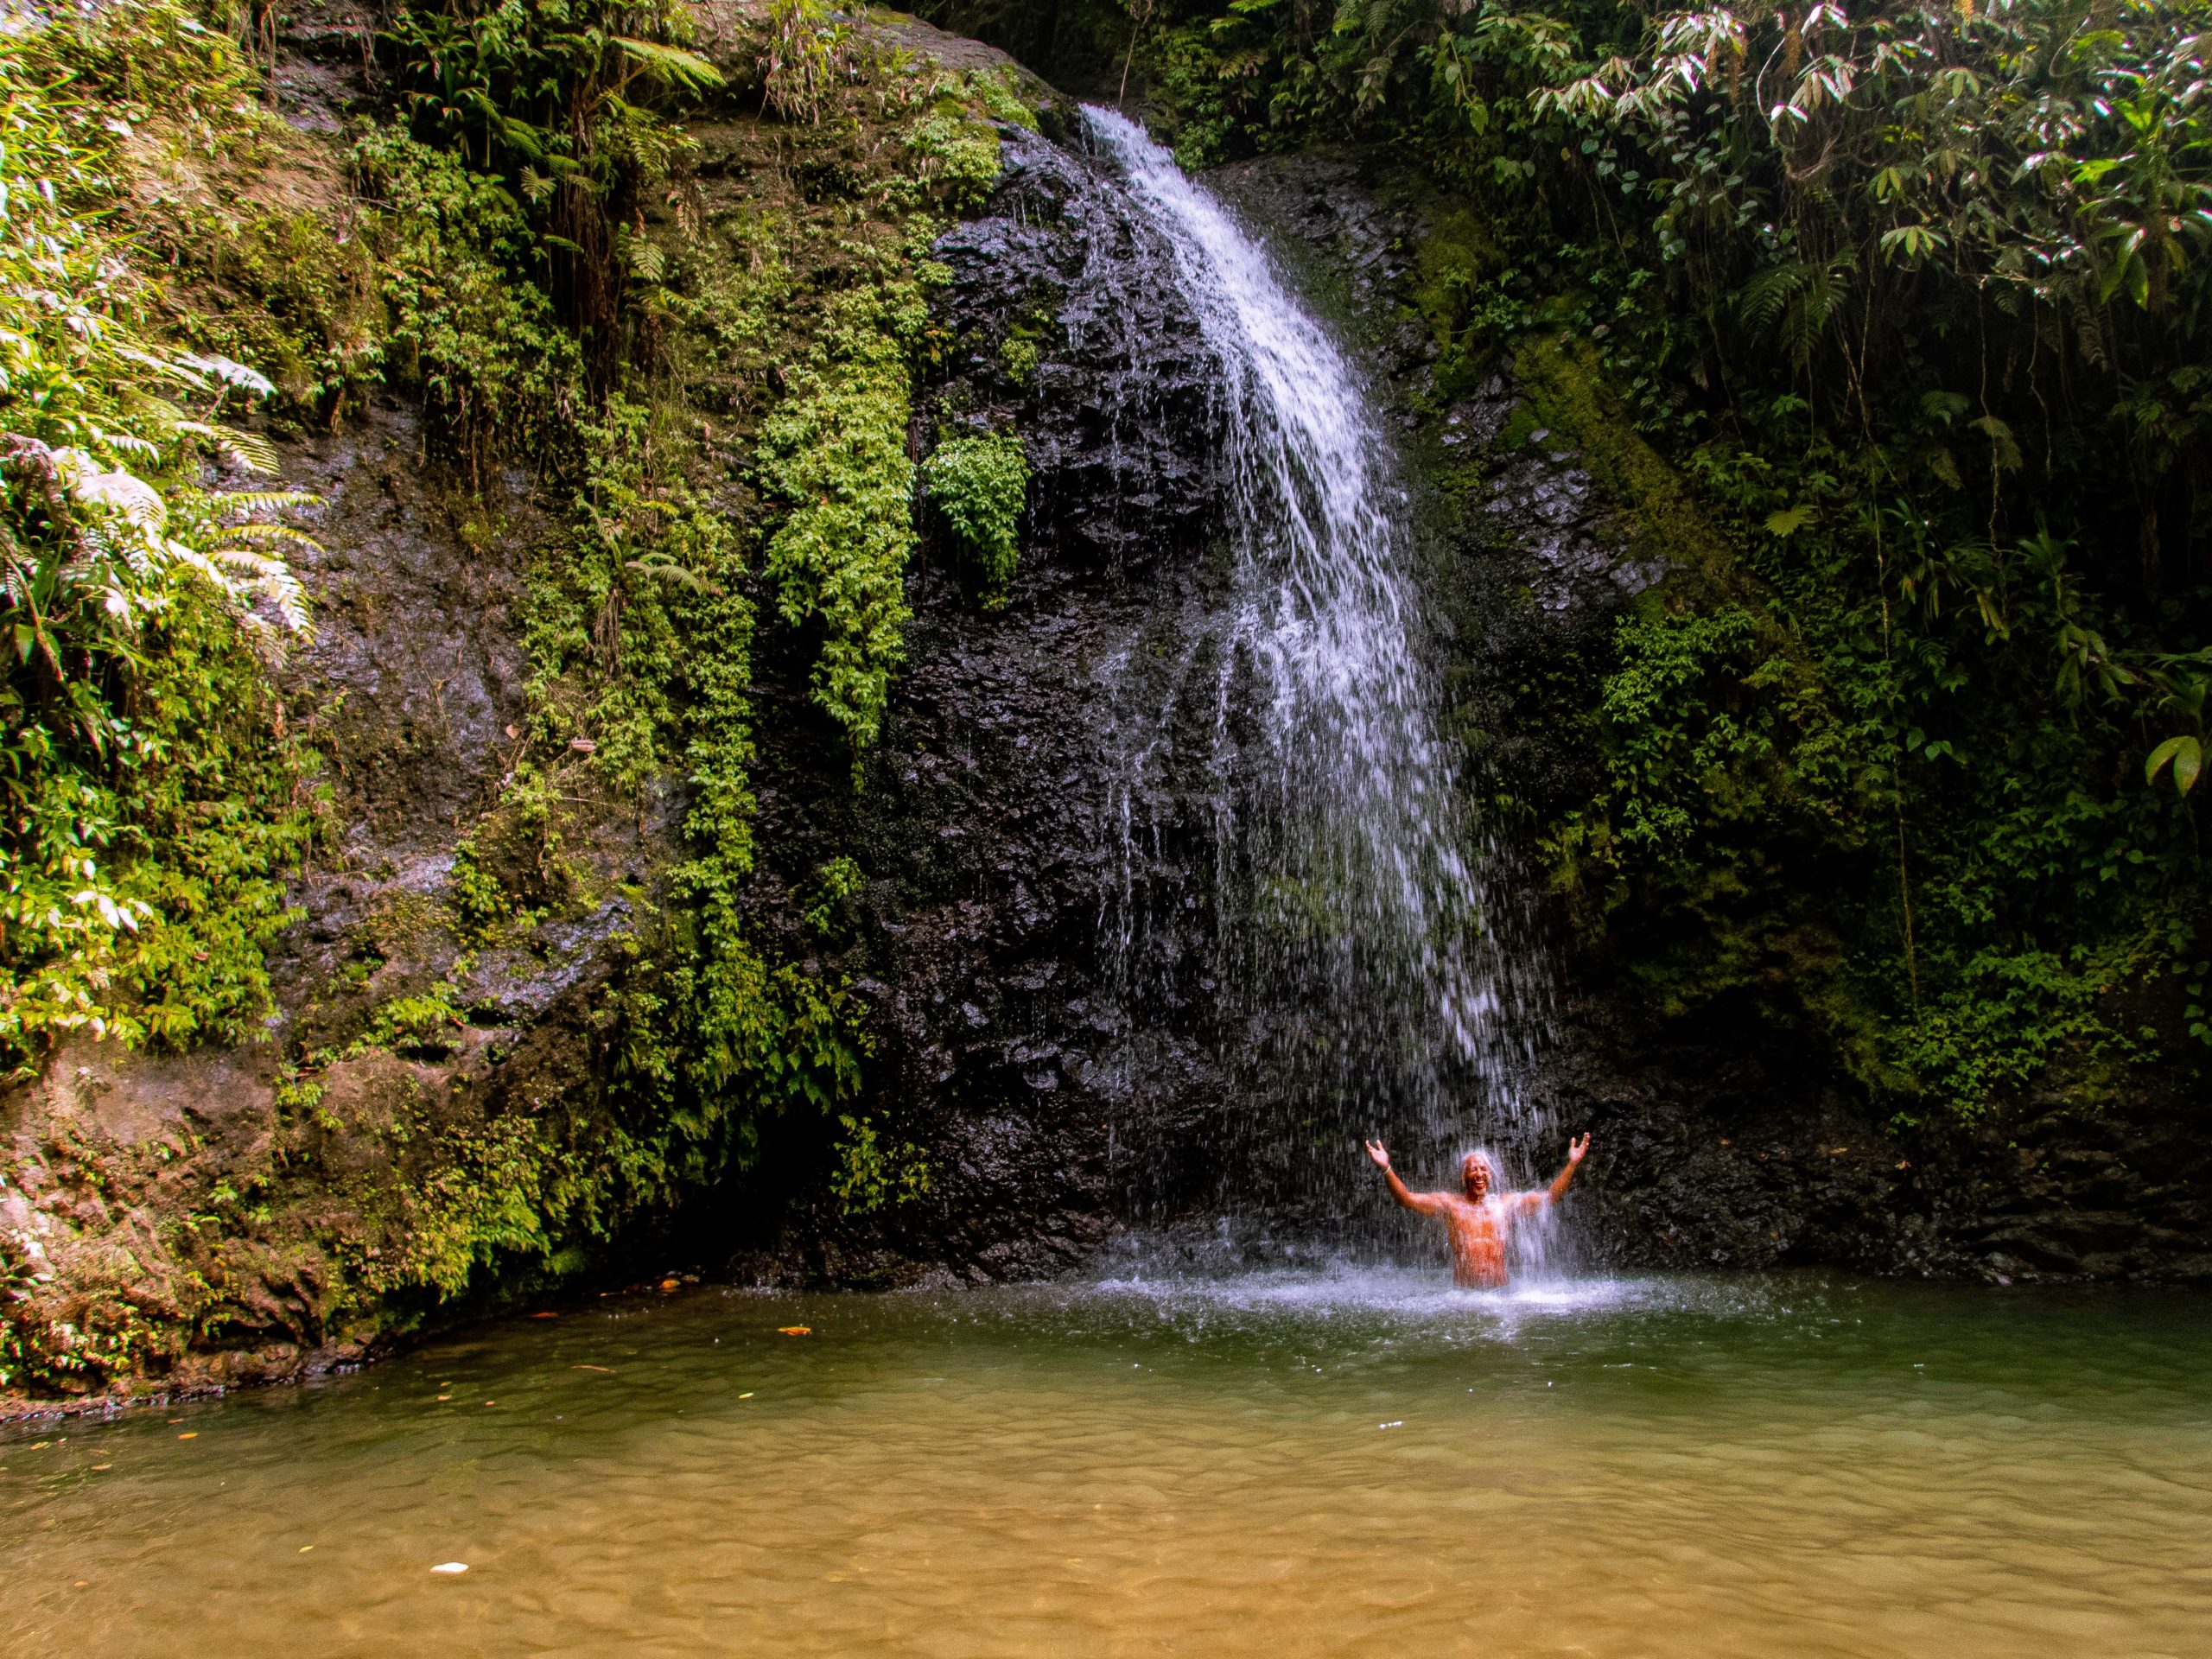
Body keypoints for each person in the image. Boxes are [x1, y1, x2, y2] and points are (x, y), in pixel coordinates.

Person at [1363, 1134, 1591, 1289]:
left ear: (1491, 1176)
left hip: (1501, 1295)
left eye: (1484, 1169)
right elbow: (1406, 1199)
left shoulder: (1506, 1204)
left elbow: (1550, 1197)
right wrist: (1386, 1168)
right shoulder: (1449, 1205)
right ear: (1465, 1177)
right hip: (1464, 1297)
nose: (1479, 1173)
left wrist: (1572, 1165)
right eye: (1473, 1169)